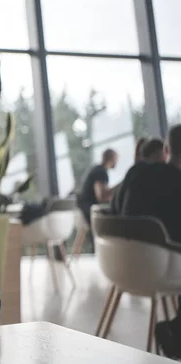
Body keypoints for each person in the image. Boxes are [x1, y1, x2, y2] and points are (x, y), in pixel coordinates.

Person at [108, 125, 181, 358]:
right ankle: (176, 333)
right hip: (162, 270)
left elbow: (112, 212)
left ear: (168, 149)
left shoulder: (135, 173)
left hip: (118, 268)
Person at [76, 148, 118, 226]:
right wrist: (119, 187)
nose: (117, 162)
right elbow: (102, 196)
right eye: (116, 159)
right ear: (112, 158)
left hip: (83, 205)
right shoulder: (100, 172)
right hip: (88, 207)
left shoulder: (97, 169)